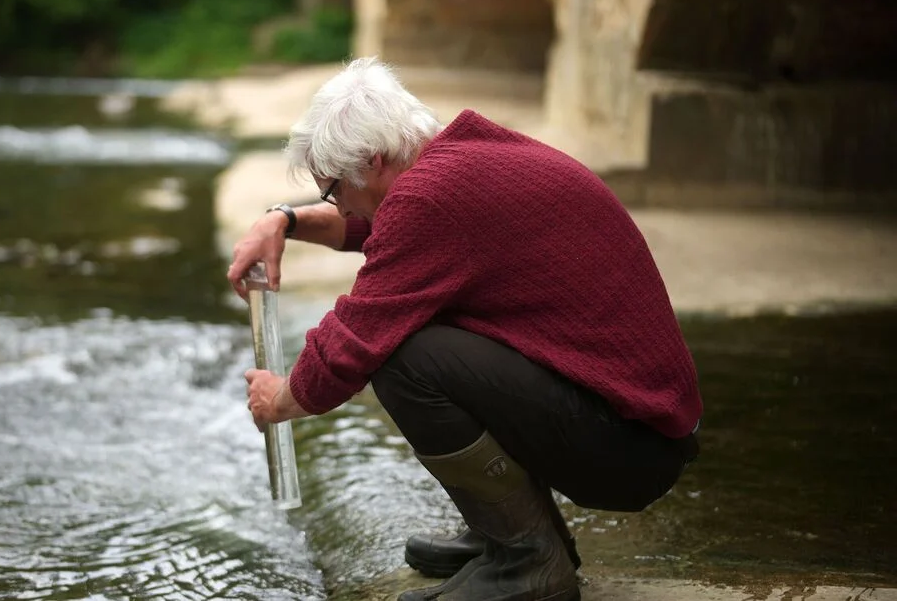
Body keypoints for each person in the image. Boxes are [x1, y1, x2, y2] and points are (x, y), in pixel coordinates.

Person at [229, 57, 702, 601]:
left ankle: (528, 563)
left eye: (332, 189)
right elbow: (373, 226)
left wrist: (280, 400)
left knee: (405, 358)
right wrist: (282, 220)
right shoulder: (461, 158)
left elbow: (351, 343)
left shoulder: (429, 200)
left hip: (630, 451)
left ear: (375, 160)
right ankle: (506, 534)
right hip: (644, 430)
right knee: (435, 323)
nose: (334, 201)